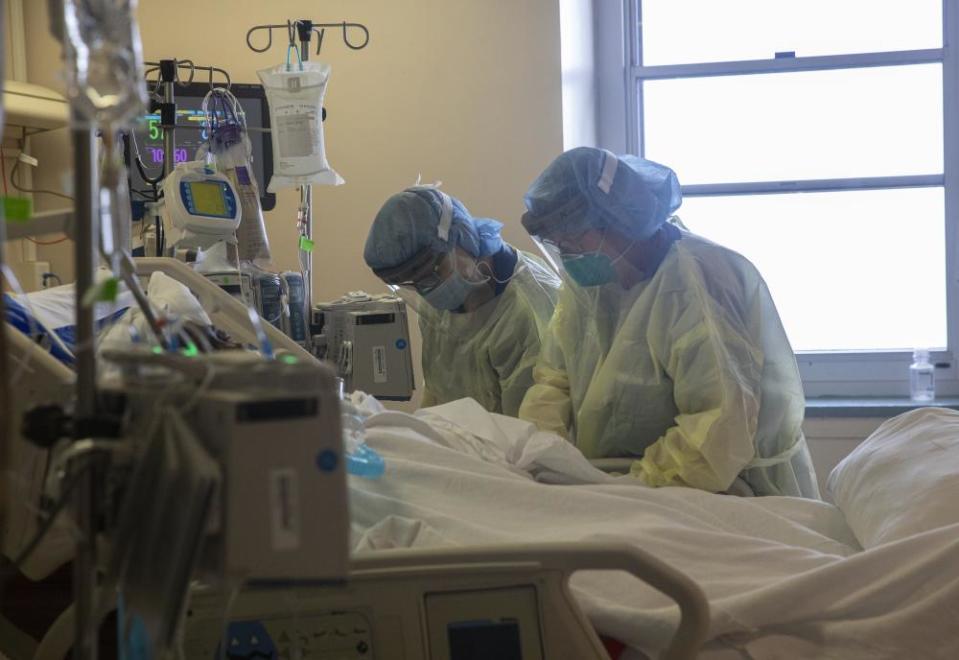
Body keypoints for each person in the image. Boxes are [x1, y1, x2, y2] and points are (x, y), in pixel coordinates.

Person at [518, 147, 819, 498]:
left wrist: (637, 487)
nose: (565, 249)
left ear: (616, 221)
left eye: (571, 235)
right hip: (625, 488)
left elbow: (718, 425)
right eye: (557, 241)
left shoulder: (697, 285)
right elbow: (555, 378)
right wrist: (542, 451)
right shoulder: (592, 283)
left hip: (720, 493)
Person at [364, 186, 561, 416]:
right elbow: (438, 389)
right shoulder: (439, 301)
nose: (426, 289)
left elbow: (530, 425)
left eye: (432, 273)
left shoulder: (525, 307)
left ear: (460, 239)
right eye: (413, 283)